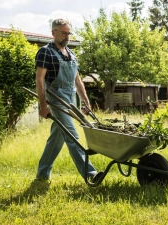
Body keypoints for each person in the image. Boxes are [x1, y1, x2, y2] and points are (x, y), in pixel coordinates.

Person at [35, 18, 101, 182]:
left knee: (57, 136)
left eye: (68, 33)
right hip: (56, 98)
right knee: (72, 135)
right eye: (63, 33)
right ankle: (90, 173)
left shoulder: (71, 54)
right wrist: (42, 106)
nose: (67, 37)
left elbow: (77, 81)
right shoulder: (45, 52)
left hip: (70, 98)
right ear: (53, 33)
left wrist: (85, 100)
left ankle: (42, 173)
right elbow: (40, 80)